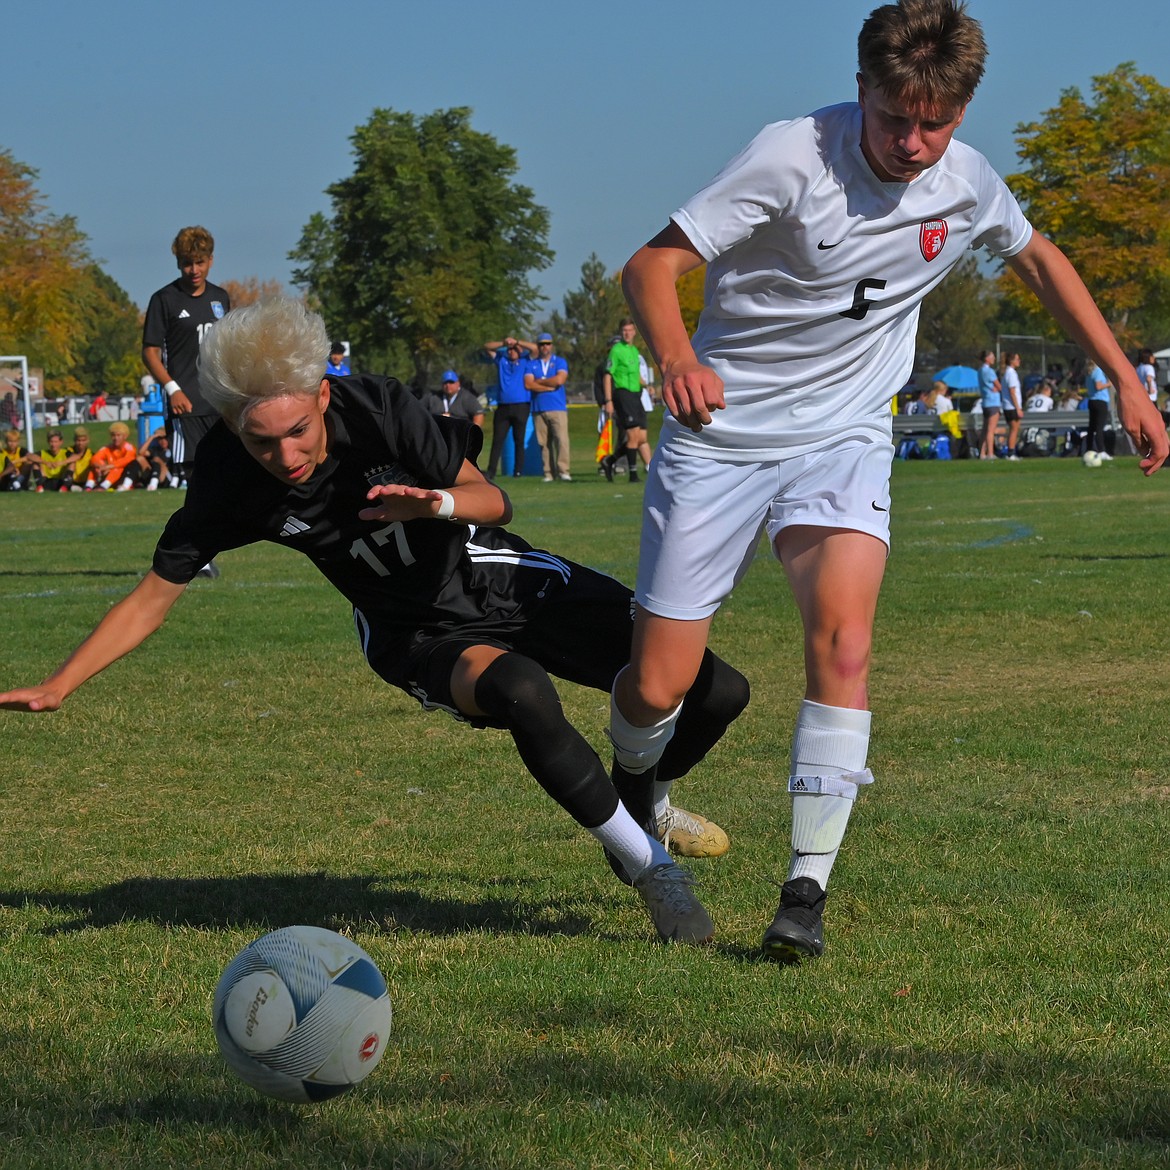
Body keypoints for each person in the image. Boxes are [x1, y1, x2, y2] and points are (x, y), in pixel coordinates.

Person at [606, 0, 1167, 962]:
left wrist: (1123, 375)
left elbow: (1037, 259)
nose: (913, 143)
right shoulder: (792, 156)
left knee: (846, 644)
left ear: (960, 111)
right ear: (861, 88)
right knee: (659, 684)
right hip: (722, 435)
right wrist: (673, 357)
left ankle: (803, 895)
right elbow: (651, 267)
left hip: (844, 439)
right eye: (895, 117)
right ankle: (637, 795)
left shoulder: (963, 179)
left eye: (935, 123)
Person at [0, 298, 750, 947]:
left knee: (717, 692)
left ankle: (639, 801)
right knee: (521, 690)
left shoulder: (380, 408)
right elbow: (152, 596)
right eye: (261, 440)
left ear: (322, 395)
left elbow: (494, 501)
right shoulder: (228, 477)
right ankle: (651, 869)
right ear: (231, 424)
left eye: (296, 430)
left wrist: (436, 504)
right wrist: (62, 683)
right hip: (413, 632)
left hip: (494, 572)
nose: (285, 455)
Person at [142, 226, 230, 576]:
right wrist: (173, 389)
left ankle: (205, 543)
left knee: (223, 476)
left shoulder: (221, 298)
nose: (193, 270)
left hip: (220, 404)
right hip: (187, 406)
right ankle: (195, 551)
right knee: (196, 477)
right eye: (186, 263)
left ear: (210, 261)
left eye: (199, 262)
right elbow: (150, 352)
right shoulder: (164, 300)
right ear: (178, 263)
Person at [601, 319, 652, 482]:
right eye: (624, 330)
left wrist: (648, 386)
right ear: (621, 332)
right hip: (623, 394)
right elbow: (608, 375)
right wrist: (608, 400)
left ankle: (610, 461)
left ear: (634, 332)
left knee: (642, 437)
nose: (627, 333)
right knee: (632, 436)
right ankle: (633, 474)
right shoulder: (616, 350)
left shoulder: (634, 351)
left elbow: (636, 375)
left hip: (636, 395)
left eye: (630, 330)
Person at [483, 336, 537, 479]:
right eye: (509, 349)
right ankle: (491, 471)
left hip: (521, 405)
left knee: (519, 440)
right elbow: (487, 346)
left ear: (520, 350)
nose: (511, 351)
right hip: (503, 406)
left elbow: (534, 348)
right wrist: (504, 343)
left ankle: (518, 471)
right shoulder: (501, 360)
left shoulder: (526, 360)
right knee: (498, 440)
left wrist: (518, 342)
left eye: (514, 349)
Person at [524, 333, 571, 482]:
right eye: (542, 344)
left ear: (551, 345)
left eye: (547, 344)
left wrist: (540, 381)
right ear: (538, 347)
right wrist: (547, 386)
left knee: (561, 440)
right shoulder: (531, 364)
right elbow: (528, 384)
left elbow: (560, 380)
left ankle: (563, 470)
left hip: (557, 407)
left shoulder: (560, 361)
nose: (545, 347)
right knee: (543, 443)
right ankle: (548, 472)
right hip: (538, 408)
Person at [86, 422, 138, 490]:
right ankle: (88, 486)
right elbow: (95, 458)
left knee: (118, 468)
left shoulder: (129, 447)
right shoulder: (107, 448)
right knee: (94, 467)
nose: (115, 438)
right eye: (113, 435)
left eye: (118, 435)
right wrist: (100, 466)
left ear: (125, 436)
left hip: (124, 475)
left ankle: (103, 486)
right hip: (109, 473)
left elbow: (127, 460)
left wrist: (108, 467)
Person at [1083, 360, 1113, 461]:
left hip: (1092, 401)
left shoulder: (1088, 372)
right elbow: (1099, 386)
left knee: (1091, 427)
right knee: (1099, 427)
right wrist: (1109, 384)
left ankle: (1089, 449)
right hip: (1100, 401)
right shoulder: (1098, 371)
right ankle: (1101, 451)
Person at [977, 350, 1002, 459]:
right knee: (991, 430)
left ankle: (982, 453)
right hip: (993, 402)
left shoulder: (980, 371)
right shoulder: (990, 371)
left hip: (985, 402)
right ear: (987, 358)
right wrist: (998, 388)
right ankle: (990, 453)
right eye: (992, 357)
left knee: (985, 429)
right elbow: (999, 386)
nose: (994, 359)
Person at [999, 352, 1023, 460]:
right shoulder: (1011, 373)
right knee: (1014, 429)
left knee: (1015, 429)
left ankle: (1011, 451)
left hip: (1009, 406)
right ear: (1011, 361)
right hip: (1011, 406)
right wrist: (1018, 408)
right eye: (1017, 359)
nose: (1019, 361)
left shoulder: (1009, 373)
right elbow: (1012, 391)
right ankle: (1010, 453)